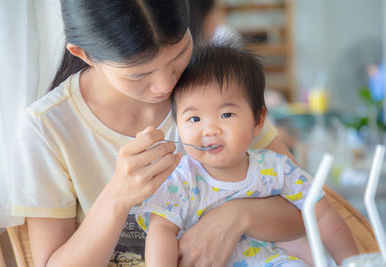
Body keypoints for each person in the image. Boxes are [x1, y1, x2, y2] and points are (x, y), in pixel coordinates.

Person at [10, 1, 307, 266]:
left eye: (179, 54)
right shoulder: (47, 127)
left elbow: (306, 212)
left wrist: (237, 216)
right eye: (139, 74)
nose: (166, 85)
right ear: (84, 54)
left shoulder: (214, 86)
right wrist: (117, 196)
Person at [136, 45, 359, 266]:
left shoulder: (276, 168)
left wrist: (352, 263)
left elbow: (322, 215)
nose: (210, 129)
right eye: (194, 119)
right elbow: (160, 230)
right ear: (178, 125)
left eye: (226, 114)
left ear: (258, 120)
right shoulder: (181, 178)